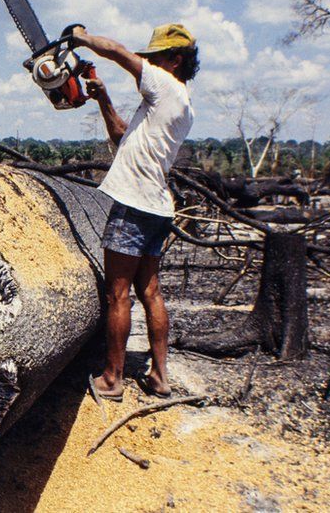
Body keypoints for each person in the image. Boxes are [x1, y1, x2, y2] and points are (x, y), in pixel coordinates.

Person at [71, 24, 200, 400]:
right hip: (157, 205)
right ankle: (159, 376)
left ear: (175, 61)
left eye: (156, 57)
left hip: (133, 204)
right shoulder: (180, 103)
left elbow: (115, 50)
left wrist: (81, 35)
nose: (149, 63)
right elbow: (122, 136)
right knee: (151, 292)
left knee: (118, 294)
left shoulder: (164, 85)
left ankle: (112, 379)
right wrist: (103, 98)